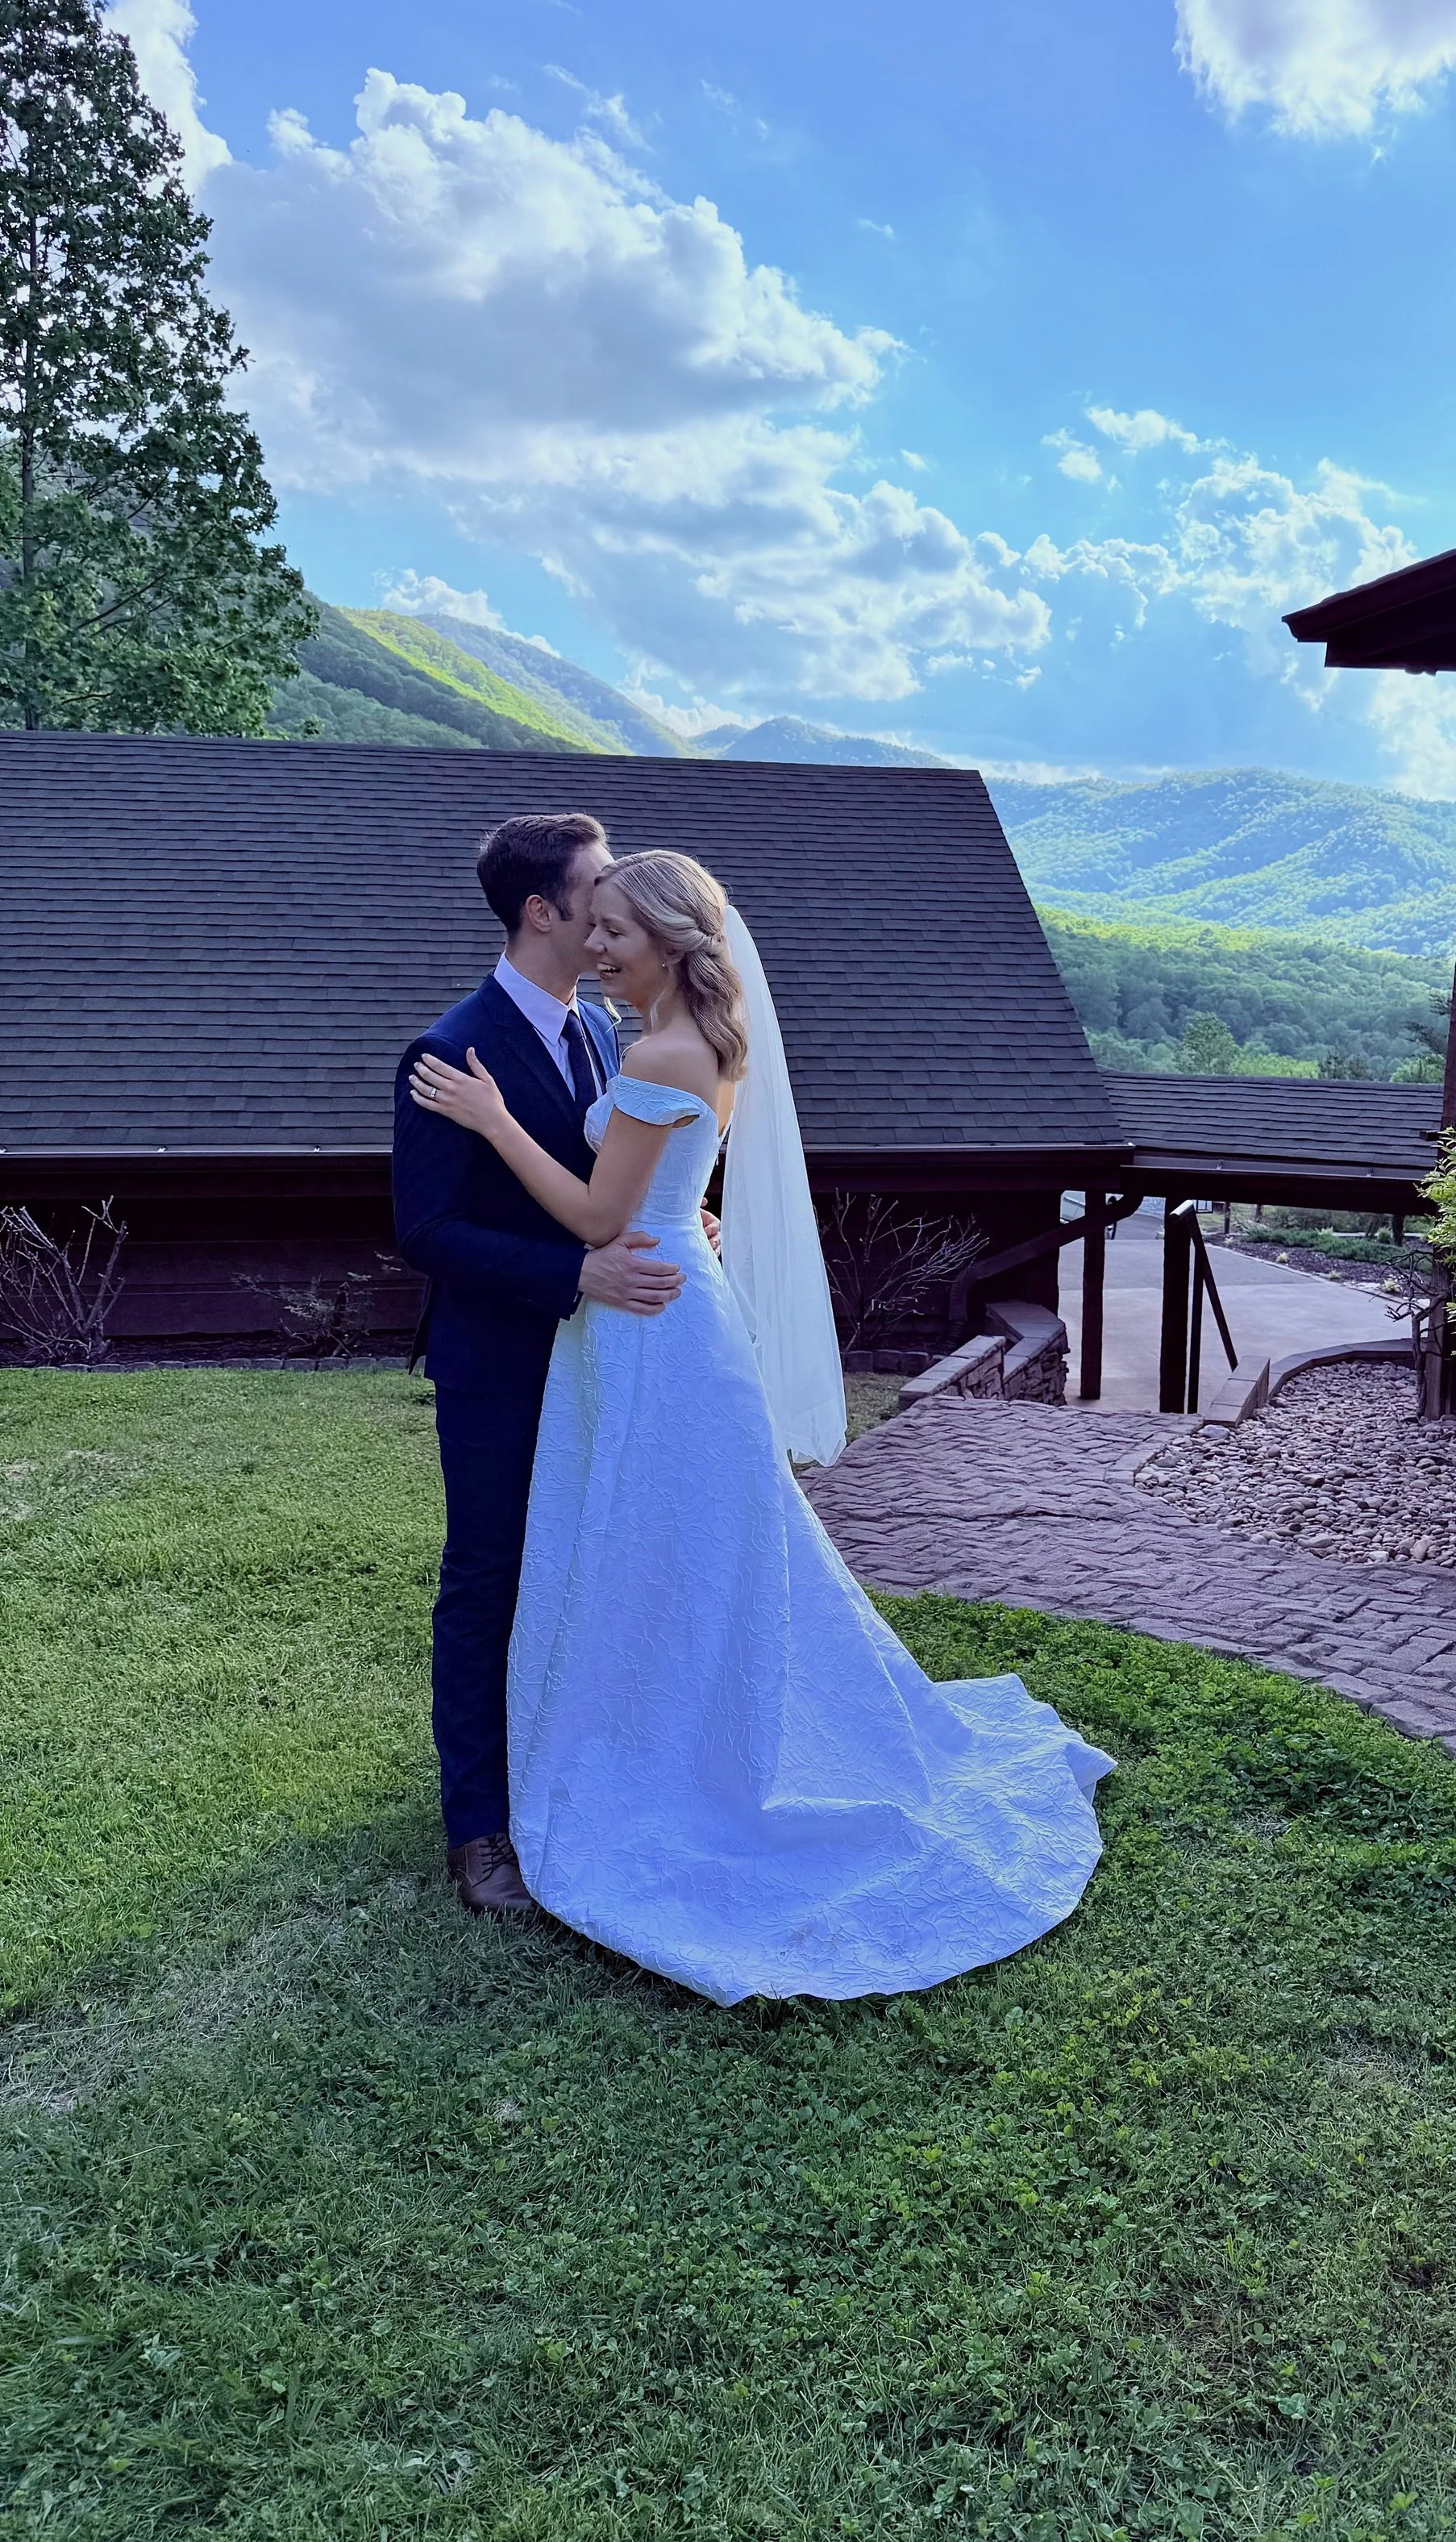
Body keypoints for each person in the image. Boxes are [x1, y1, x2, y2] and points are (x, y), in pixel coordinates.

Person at [408, 847, 1111, 2003]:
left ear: (676, 945)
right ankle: (655, 1731)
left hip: (646, 1322)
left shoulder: (655, 1049)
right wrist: (685, 1216)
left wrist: (495, 1119)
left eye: (619, 933)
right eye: (592, 925)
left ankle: (671, 1753)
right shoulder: (696, 1042)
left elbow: (596, 1208)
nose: (598, 947)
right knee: (677, 1537)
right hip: (668, 1298)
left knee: (655, 1535)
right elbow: (660, 1182)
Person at [393, 813, 688, 1916]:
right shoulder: (447, 1049)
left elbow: (624, 1171)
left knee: (580, 1563)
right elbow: (426, 1229)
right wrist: (574, 1275)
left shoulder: (609, 1037)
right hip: (498, 1358)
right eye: (600, 887)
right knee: (488, 1577)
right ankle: (477, 1830)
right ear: (542, 911)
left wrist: (673, 1219)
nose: (617, 905)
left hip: (604, 1362)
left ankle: (567, 1763)